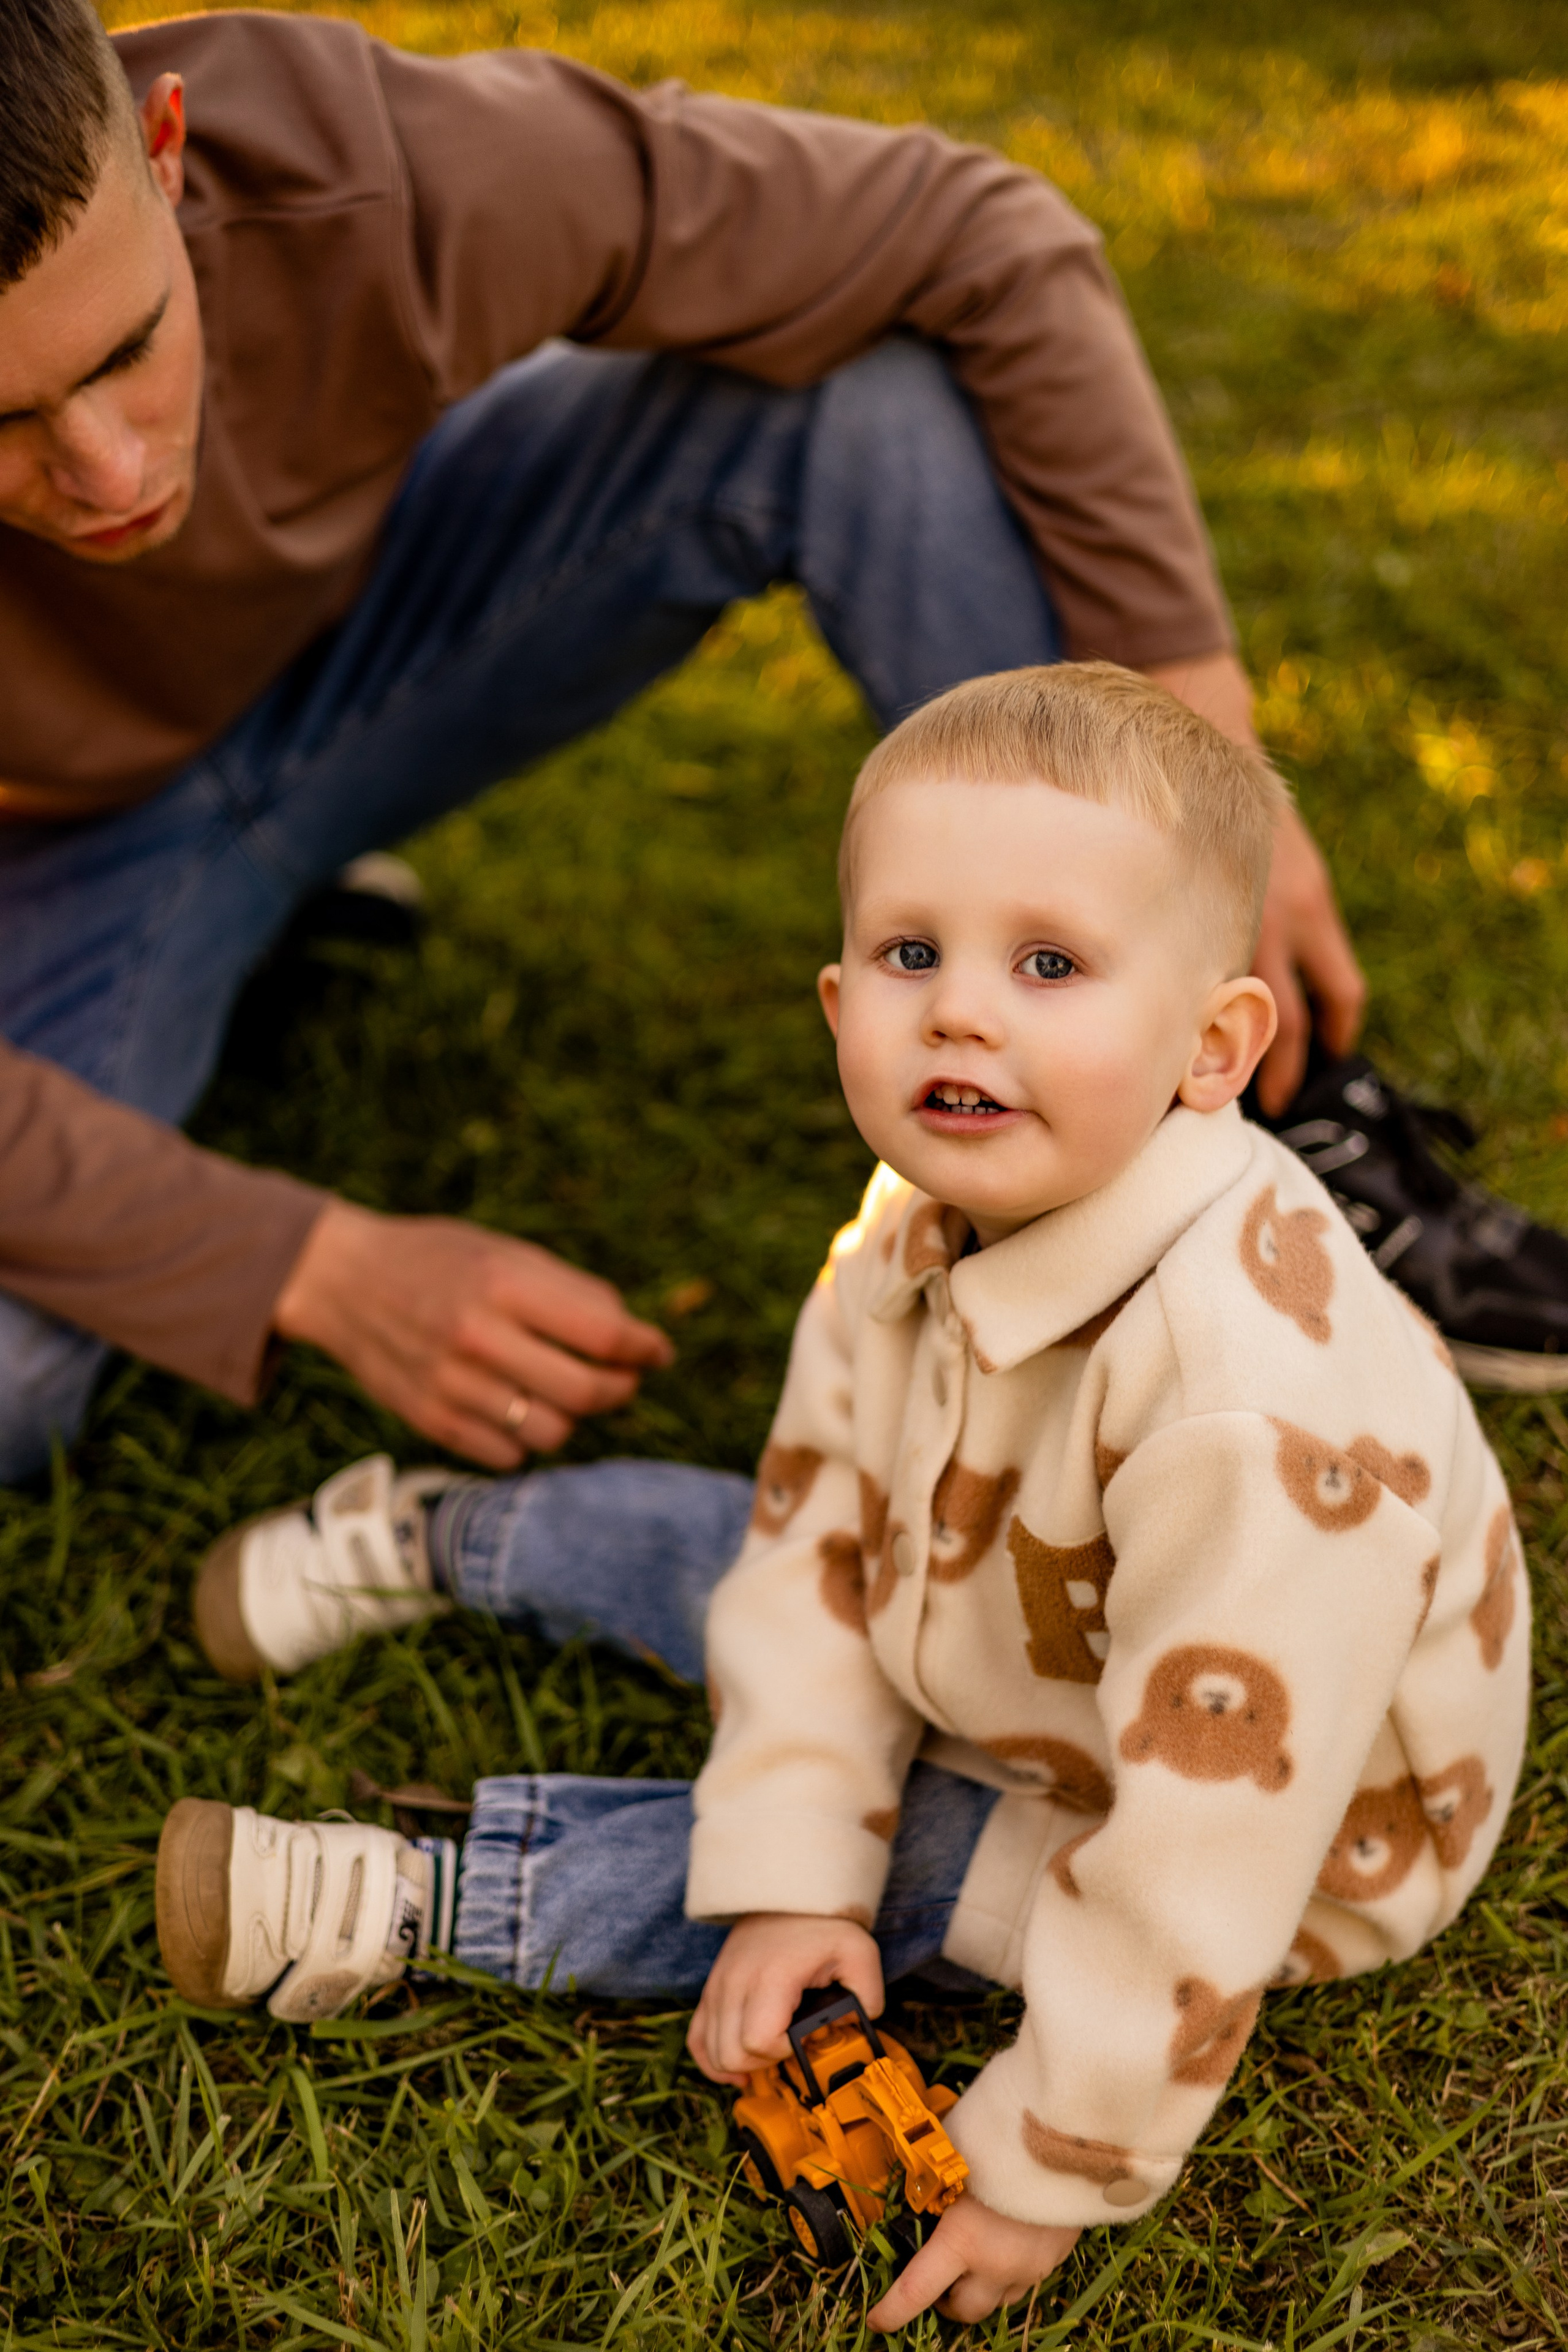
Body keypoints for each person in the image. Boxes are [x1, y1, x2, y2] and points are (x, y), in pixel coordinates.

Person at [2, 2, 1566, 1492]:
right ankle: (236, 942)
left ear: (170, 149)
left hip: (355, 652)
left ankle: (1233, 1144)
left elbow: (973, 231)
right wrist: (310, 1264)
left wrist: (1192, 745)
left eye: (128, 347)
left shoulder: (358, 165)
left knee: (858, 392)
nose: (108, 471)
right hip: (51, 868)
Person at [155, 666, 1528, 2325]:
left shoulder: (1250, 1422)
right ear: (837, 1001)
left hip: (1279, 1813)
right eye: (909, 955)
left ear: (1214, 1045)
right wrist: (799, 1855)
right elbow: (818, 1522)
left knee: (925, 1864)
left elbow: (1193, 1868)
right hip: (1017, 1613)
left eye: (1048, 964)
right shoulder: (920, 1206)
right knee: (757, 1559)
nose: (960, 1012)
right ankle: (446, 1534)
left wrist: (1046, 2165)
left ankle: (419, 1899)